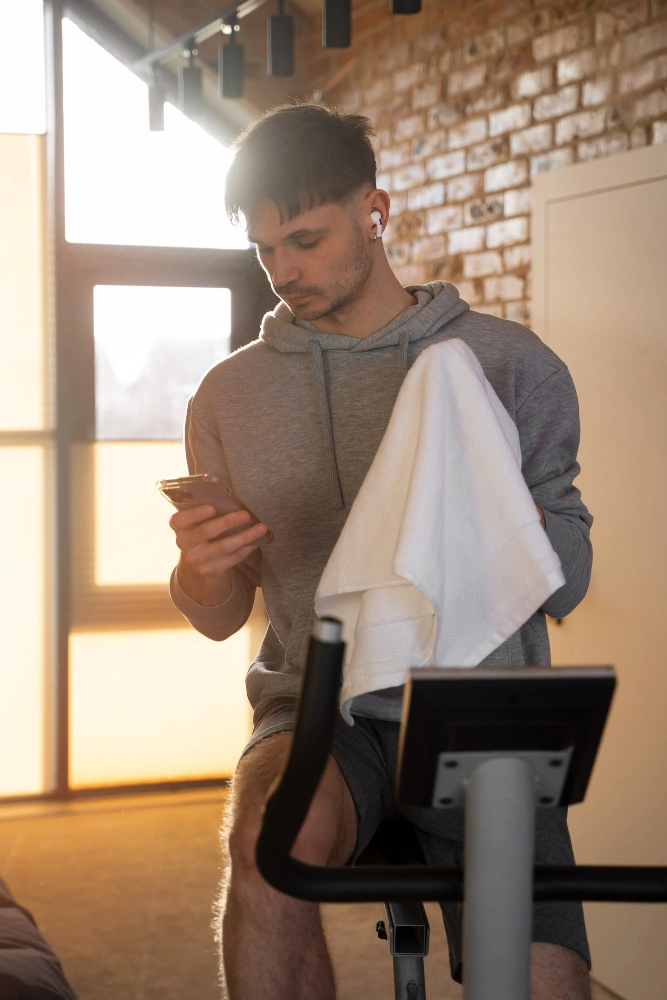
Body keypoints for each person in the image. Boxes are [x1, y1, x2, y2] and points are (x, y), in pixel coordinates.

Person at [169, 102, 593, 1000]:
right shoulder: (228, 395)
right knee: (265, 844)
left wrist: (483, 503)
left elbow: (568, 583)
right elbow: (217, 621)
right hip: (321, 712)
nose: (284, 271)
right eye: (264, 250)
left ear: (376, 208)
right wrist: (199, 572)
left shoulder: (507, 366)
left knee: (538, 982)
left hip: (482, 719)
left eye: (306, 240)